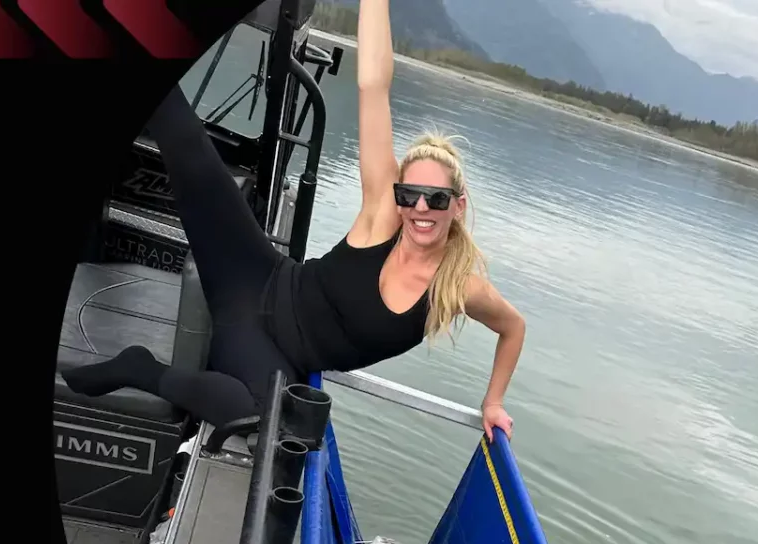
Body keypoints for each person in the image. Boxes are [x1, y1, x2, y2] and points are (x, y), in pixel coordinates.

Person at [61, 0, 525, 442]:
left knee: (259, 420)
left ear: (458, 205)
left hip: (268, 351)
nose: (420, 208)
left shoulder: (460, 288)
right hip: (257, 276)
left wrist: (493, 401)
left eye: (436, 198)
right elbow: (373, 85)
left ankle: (140, 369)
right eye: (410, 194)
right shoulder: (384, 215)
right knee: (191, 152)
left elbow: (513, 327)